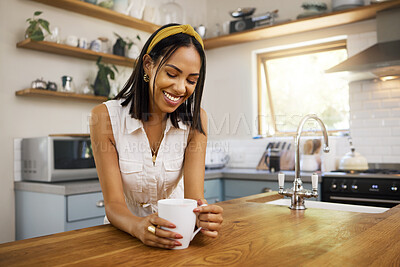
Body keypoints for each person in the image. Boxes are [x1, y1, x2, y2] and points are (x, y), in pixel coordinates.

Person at [90, 23, 223, 249]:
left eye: (191, 80)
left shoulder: (196, 120)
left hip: (176, 238)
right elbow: (113, 206)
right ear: (149, 65)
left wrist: (204, 216)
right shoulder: (105, 118)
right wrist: (138, 227)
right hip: (123, 239)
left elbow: (195, 198)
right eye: (172, 74)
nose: (181, 88)